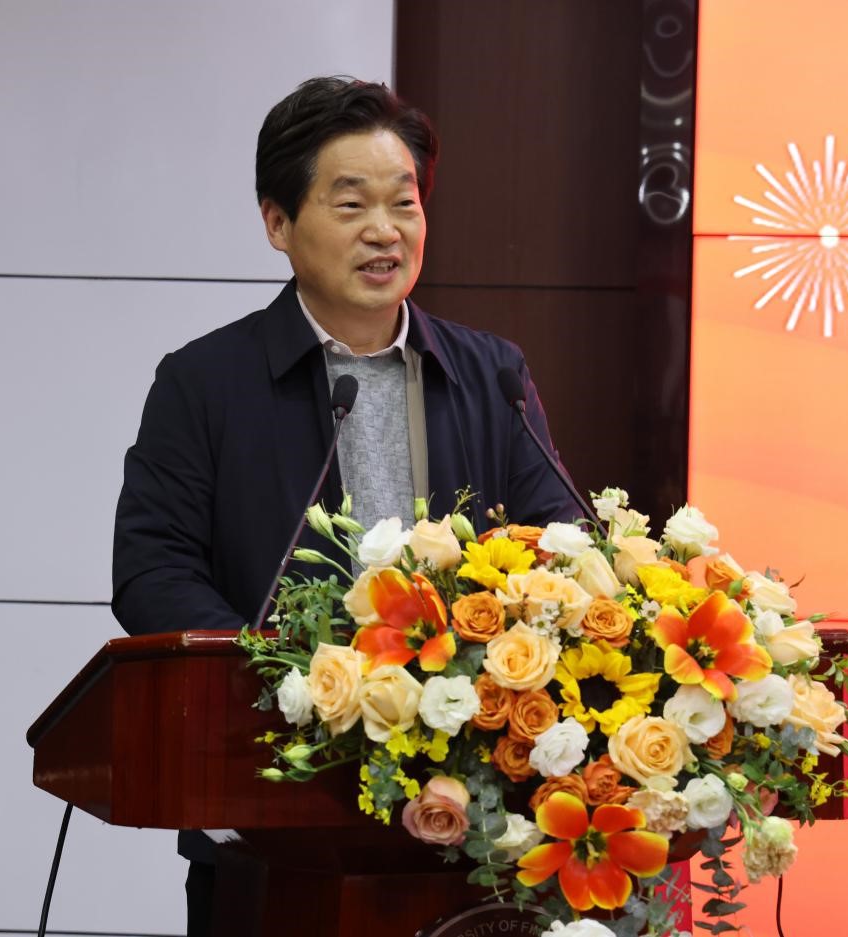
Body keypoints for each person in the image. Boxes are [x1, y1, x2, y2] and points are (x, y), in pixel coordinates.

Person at [111, 76, 580, 937]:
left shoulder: (492, 375)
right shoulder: (205, 383)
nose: (384, 230)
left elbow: (563, 546)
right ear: (277, 223)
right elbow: (152, 571)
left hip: (470, 810)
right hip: (272, 813)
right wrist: (292, 687)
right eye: (351, 203)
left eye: (403, 203)